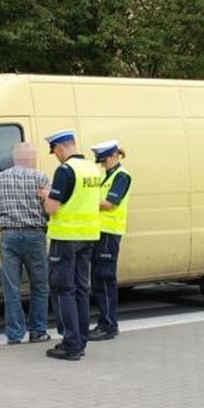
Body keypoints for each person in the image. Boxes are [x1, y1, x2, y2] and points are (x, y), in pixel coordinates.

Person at [39, 128, 102, 361]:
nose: (55, 155)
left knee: (62, 290)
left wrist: (46, 195)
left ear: (62, 147)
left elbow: (52, 208)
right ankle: (81, 339)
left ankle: (70, 344)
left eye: (54, 150)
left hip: (65, 238)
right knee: (81, 290)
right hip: (89, 237)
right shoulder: (92, 168)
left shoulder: (65, 170)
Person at [0, 142, 52, 345]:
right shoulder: (41, 178)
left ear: (15, 158)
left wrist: (3, 222)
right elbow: (50, 208)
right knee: (40, 285)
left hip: (9, 236)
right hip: (35, 236)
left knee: (11, 287)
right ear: (31, 159)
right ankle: (38, 331)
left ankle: (14, 334)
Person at [88, 140, 131, 341]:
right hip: (100, 233)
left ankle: (109, 325)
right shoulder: (108, 175)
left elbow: (109, 204)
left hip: (109, 233)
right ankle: (105, 322)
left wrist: (85, 202)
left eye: (103, 160)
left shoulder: (122, 176)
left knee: (105, 279)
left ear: (114, 155)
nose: (102, 164)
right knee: (98, 278)